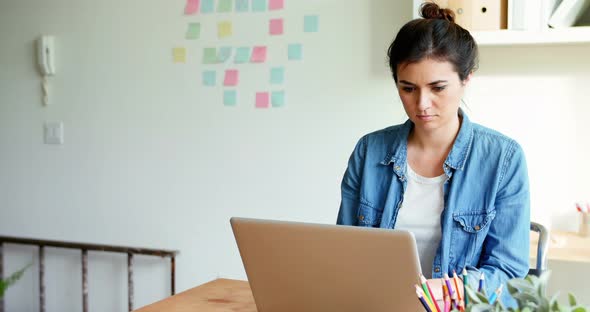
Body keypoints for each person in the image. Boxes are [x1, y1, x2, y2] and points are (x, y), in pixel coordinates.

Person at [336, 2, 530, 307]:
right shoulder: (369, 151)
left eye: (437, 88)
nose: (422, 104)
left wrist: (447, 292)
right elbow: (344, 252)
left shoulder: (503, 159)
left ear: (467, 79)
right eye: (408, 88)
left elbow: (509, 274)